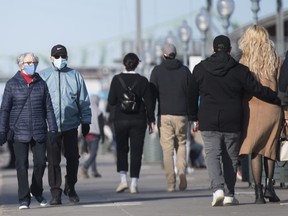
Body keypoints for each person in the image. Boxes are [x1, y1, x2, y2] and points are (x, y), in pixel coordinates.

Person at [190, 35, 280, 206]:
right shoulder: (240, 70)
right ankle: (230, 194)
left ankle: (217, 188)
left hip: (208, 118)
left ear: (213, 49)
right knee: (231, 157)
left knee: (212, 155)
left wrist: (193, 116)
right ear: (230, 50)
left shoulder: (200, 69)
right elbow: (257, 89)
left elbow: (191, 94)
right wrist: (275, 98)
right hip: (232, 119)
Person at [0, 52, 57, 209]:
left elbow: (49, 108)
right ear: (21, 65)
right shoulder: (12, 84)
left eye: (34, 62)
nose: (32, 65)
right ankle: (24, 199)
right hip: (19, 131)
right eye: (28, 62)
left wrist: (53, 129)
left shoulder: (41, 83)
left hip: (39, 129)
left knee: (40, 163)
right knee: (21, 165)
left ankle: (36, 190)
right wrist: (2, 131)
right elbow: (4, 109)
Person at [40, 44, 91, 205]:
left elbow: (83, 100)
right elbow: (37, 101)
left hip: (70, 125)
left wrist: (86, 121)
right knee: (53, 161)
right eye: (57, 56)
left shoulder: (75, 75)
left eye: (63, 56)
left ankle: (71, 187)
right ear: (51, 58)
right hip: (50, 127)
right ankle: (55, 193)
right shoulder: (42, 76)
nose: (60, 59)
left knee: (73, 159)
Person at [238, 25, 283, 204]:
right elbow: (280, 84)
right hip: (272, 108)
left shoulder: (244, 60)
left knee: (255, 150)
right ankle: (269, 188)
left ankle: (257, 193)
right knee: (270, 148)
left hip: (252, 108)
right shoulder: (275, 58)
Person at [108, 53, 155, 193]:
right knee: (136, 151)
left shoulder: (116, 80)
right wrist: (151, 120)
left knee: (121, 149)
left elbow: (111, 101)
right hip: (138, 120)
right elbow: (150, 102)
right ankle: (134, 183)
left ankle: (123, 181)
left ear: (124, 64)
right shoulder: (142, 81)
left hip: (120, 120)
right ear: (137, 64)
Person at [150, 43, 193, 192]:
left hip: (165, 114)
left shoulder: (157, 71)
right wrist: (193, 115)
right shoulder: (185, 71)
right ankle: (181, 171)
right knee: (181, 144)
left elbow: (151, 96)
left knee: (167, 150)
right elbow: (191, 94)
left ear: (163, 55)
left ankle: (170, 183)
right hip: (182, 114)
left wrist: (150, 117)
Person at [80, 95, 105, 178]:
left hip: (86, 135)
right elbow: (101, 125)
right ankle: (85, 166)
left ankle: (94, 171)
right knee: (93, 154)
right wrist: (103, 136)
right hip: (95, 135)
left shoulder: (85, 110)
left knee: (91, 154)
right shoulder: (99, 111)